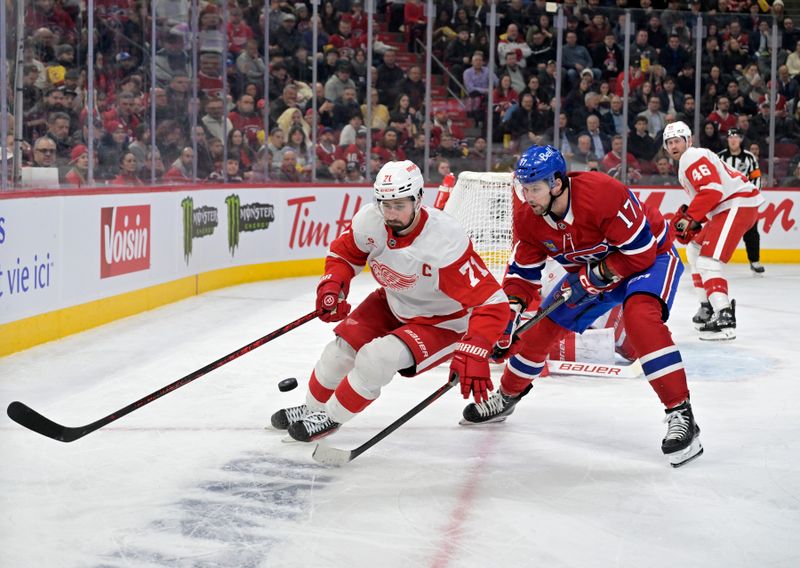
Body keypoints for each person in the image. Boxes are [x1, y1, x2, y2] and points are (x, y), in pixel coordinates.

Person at [459, 145, 703, 468]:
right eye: (524, 187)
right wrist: (509, 319)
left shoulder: (602, 193)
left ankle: (681, 414)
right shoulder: (528, 216)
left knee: (640, 318)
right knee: (540, 329)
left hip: (650, 260)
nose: (527, 196)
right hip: (591, 272)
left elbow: (641, 254)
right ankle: (507, 396)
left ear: (557, 184)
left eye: (534, 188)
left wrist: (596, 275)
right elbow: (522, 275)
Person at [270, 160, 509, 442]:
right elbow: (344, 256)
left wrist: (478, 347)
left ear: (419, 199)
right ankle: (312, 408)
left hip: (441, 321)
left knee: (377, 358)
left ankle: (330, 418)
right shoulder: (370, 221)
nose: (392, 214)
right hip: (394, 300)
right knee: (338, 353)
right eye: (386, 205)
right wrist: (333, 285)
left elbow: (493, 302)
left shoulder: (444, 240)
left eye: (400, 205)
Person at [664, 121, 764, 340]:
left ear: (688, 141)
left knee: (708, 262)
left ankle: (724, 315)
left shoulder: (691, 156)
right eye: (669, 142)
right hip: (729, 206)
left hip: (735, 204)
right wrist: (692, 221)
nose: (674, 146)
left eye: (677, 141)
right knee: (694, 247)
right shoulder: (689, 160)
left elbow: (712, 190)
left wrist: (688, 220)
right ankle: (707, 305)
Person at [717, 128, 764, 276]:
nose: (733, 140)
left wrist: (752, 197)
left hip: (746, 202)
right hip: (725, 202)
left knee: (751, 232)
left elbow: (756, 177)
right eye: (730, 137)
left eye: (736, 137)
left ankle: (754, 261)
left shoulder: (749, 158)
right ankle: (714, 260)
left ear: (741, 139)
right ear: (727, 139)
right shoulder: (720, 157)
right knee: (719, 231)